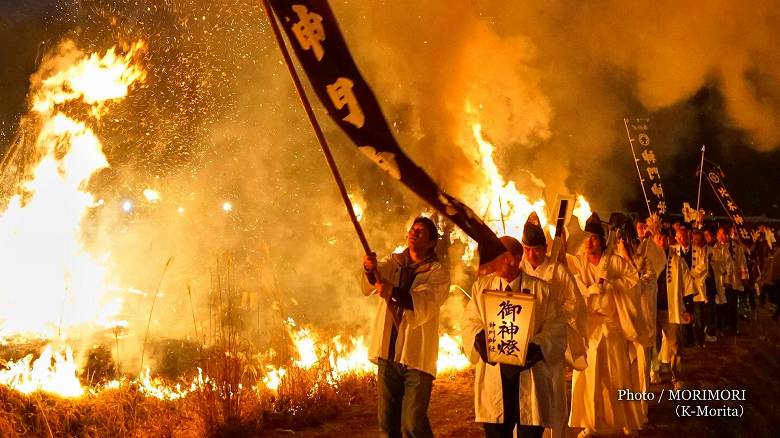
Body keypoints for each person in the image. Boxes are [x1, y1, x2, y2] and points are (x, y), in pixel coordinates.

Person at [462, 235, 567, 438]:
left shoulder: (542, 290)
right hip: (495, 375)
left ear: (516, 258)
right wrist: (478, 337)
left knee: (529, 429)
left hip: (529, 375)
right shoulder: (481, 288)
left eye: (500, 253)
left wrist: (538, 347)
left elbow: (556, 326)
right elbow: (470, 321)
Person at [361, 216, 451, 438]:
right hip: (388, 354)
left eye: (421, 231)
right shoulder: (394, 262)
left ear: (431, 243)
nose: (414, 233)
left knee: (413, 424)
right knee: (387, 425)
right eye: (413, 229)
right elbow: (373, 281)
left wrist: (393, 291)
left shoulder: (437, 272)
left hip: (416, 357)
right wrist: (369, 269)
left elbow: (424, 302)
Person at [566, 213, 643, 437]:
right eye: (587, 238)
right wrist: (558, 231)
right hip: (589, 328)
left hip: (612, 326)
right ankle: (590, 422)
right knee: (589, 378)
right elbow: (559, 262)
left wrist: (612, 284)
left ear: (602, 240)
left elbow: (634, 282)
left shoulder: (614, 262)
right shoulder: (579, 261)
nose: (590, 242)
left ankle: (625, 420)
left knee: (618, 375)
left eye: (595, 238)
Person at [518, 213, 587, 438]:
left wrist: (555, 319)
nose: (531, 254)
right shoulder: (518, 270)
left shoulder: (557, 271)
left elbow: (574, 301)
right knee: (525, 393)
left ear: (545, 248)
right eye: (527, 248)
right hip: (524, 340)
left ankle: (555, 434)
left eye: (536, 249)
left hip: (549, 341)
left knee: (554, 390)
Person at [650, 228, 695, 386]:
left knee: (675, 345)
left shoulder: (677, 260)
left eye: (664, 238)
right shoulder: (648, 260)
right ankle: (654, 371)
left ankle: (677, 376)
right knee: (652, 344)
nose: (661, 241)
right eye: (658, 238)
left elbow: (688, 285)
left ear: (669, 240)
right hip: (652, 309)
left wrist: (688, 309)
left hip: (672, 309)